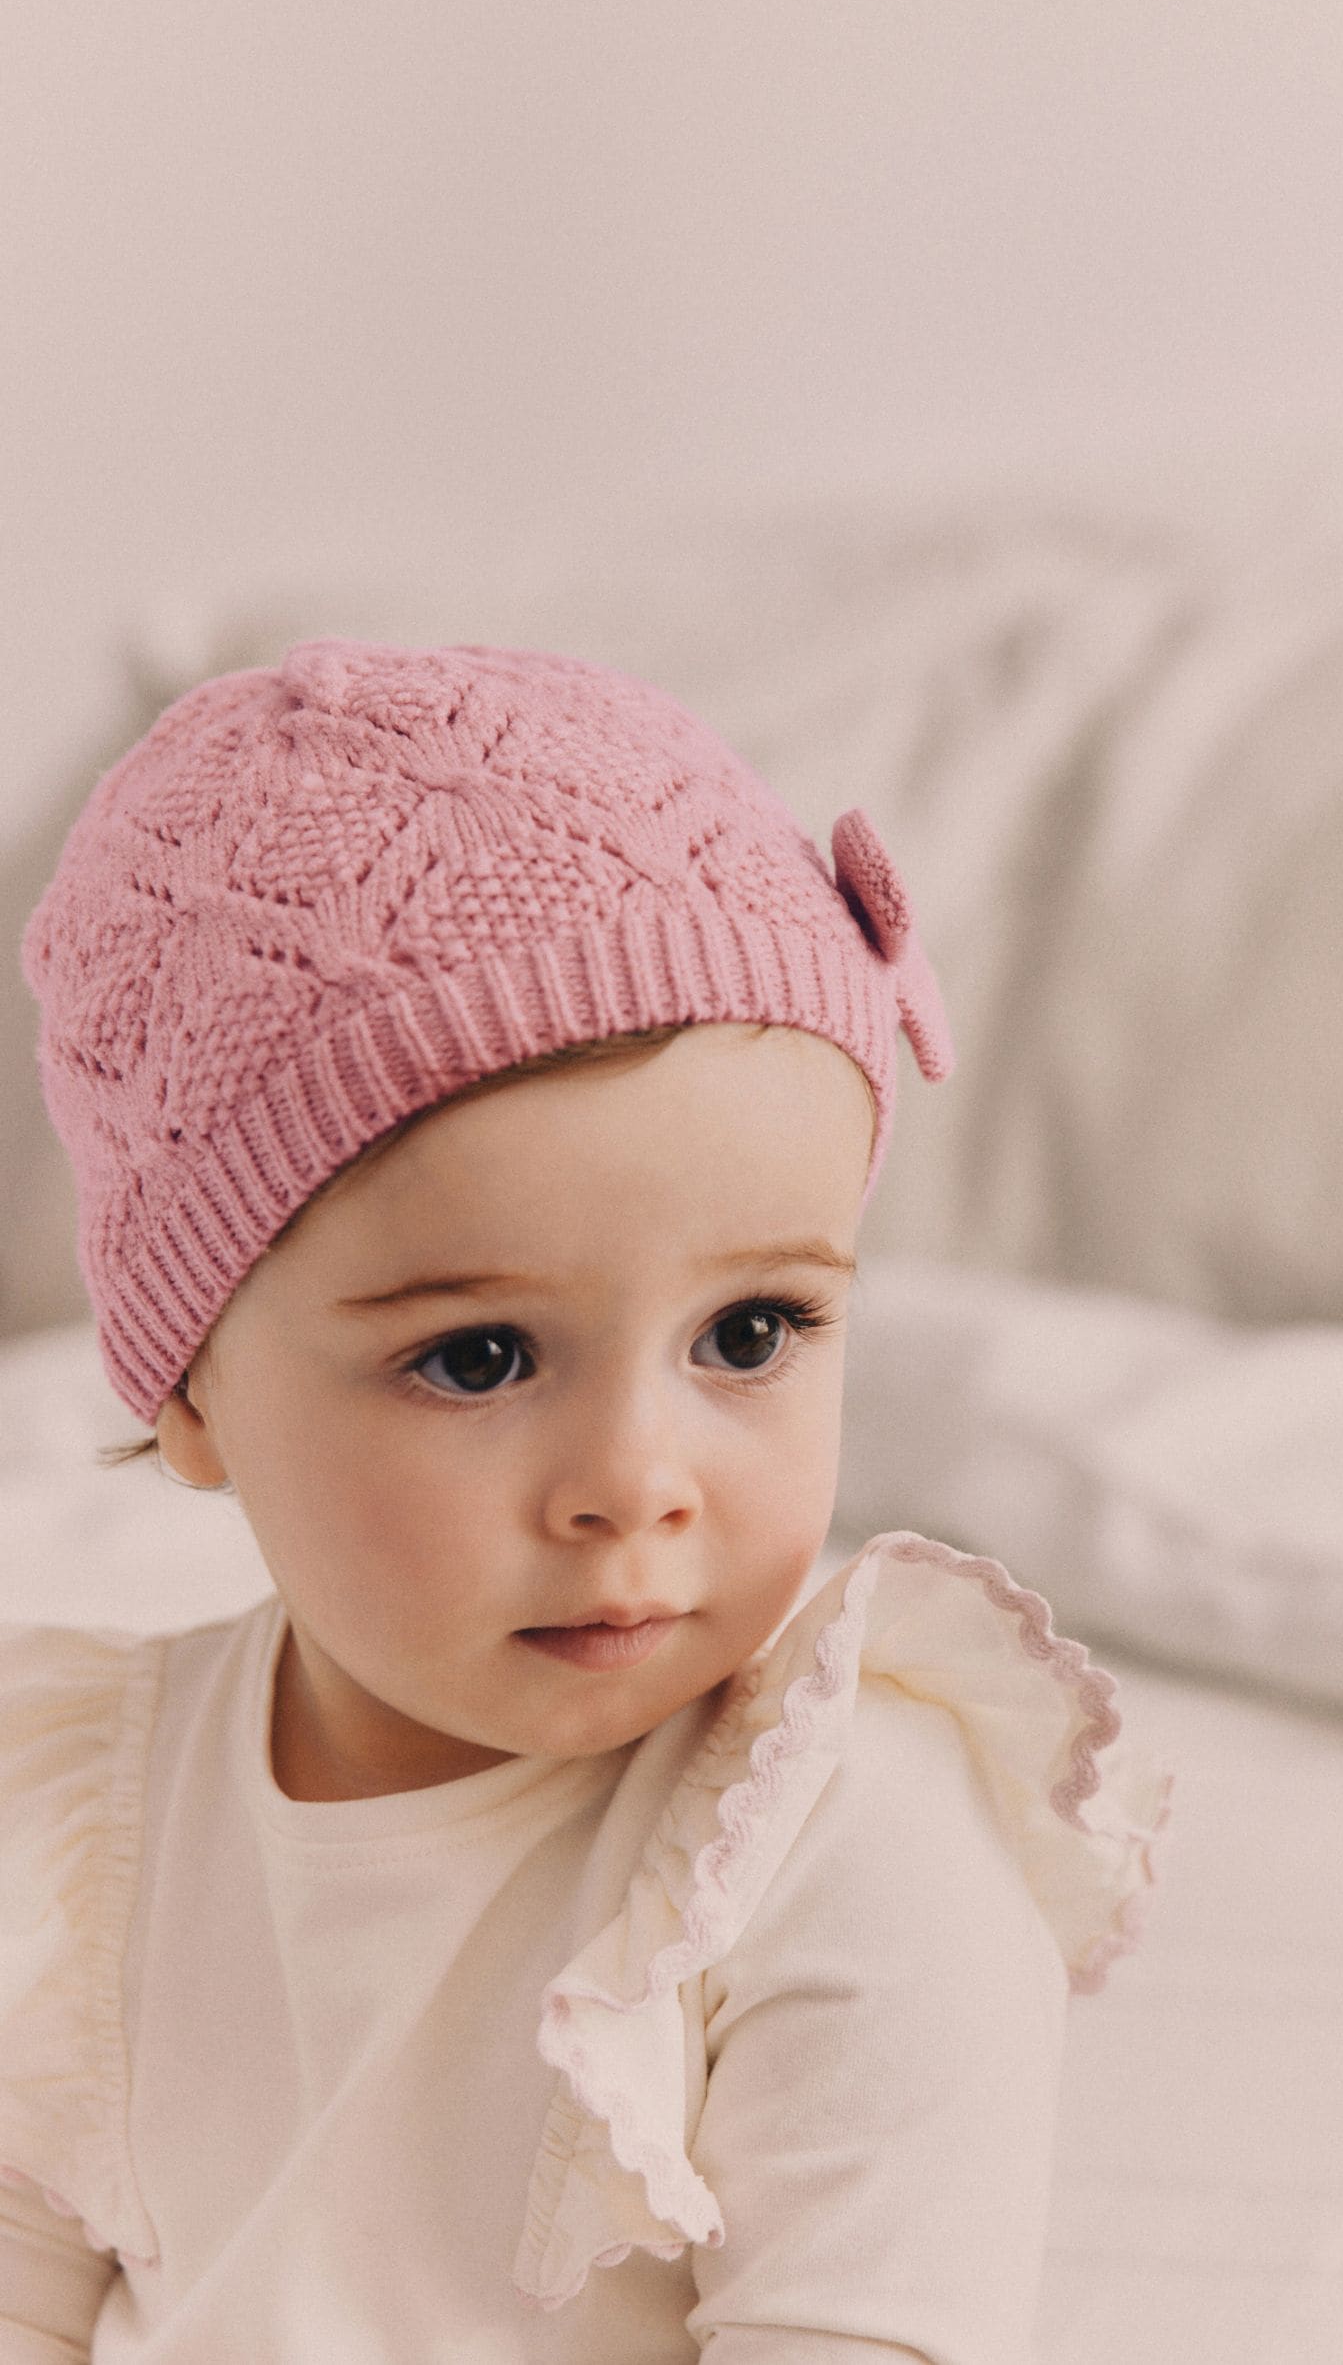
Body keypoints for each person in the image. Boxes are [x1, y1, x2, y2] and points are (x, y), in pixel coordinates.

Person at [0, 638, 1170, 2364]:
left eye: (751, 1333)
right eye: (477, 1360)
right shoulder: (90, 1836)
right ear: (189, 1391)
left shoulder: (840, 1850)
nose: (636, 1485)